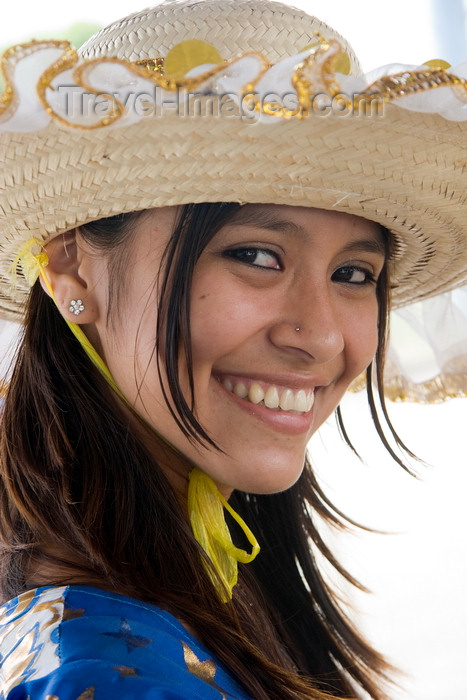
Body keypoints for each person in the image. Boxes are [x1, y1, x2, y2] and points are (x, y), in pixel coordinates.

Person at [0, 1, 466, 698]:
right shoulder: (106, 667)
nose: (322, 335)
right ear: (72, 269)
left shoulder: (172, 589)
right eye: (256, 255)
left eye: (352, 275)